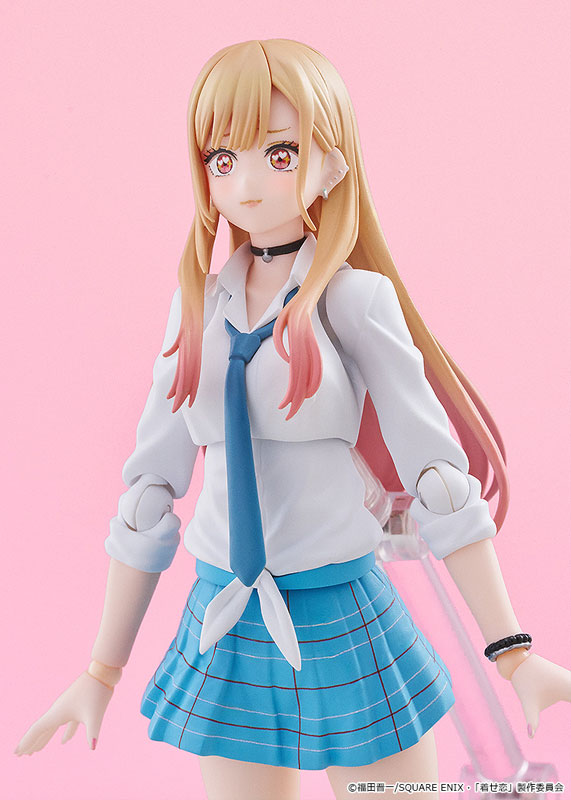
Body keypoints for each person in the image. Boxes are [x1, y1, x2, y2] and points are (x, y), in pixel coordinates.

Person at [16, 39, 570, 800]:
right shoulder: (196, 312)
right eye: (222, 159)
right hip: (227, 618)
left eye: (280, 154)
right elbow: (149, 496)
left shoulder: (354, 302)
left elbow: (438, 478)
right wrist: (99, 672)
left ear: (331, 164)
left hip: (342, 611)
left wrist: (512, 651)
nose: (245, 184)